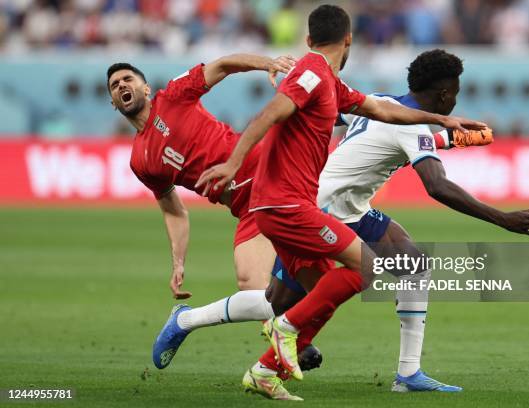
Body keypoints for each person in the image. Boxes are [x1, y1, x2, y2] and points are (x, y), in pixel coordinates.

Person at [196, 4, 489, 400]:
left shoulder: (330, 82)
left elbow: (380, 109)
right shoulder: (312, 72)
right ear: (348, 39)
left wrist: (443, 123)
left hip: (301, 202)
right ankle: (278, 331)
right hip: (289, 203)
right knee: (357, 273)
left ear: (308, 39)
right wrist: (233, 163)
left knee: (322, 291)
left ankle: (267, 368)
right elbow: (270, 113)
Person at [264, 49, 529, 397]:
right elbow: (437, 186)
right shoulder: (413, 126)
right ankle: (192, 323)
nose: (455, 99)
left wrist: (453, 137)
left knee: (413, 265)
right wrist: (503, 219)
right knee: (280, 300)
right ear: (445, 94)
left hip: (349, 207)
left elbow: (369, 125)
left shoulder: (382, 101)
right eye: (455, 93)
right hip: (317, 210)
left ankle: (409, 373)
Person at [106, 54, 298, 369]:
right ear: (114, 102)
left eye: (127, 79)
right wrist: (178, 264)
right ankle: (186, 321)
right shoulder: (141, 160)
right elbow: (173, 211)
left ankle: (403, 276)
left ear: (146, 89)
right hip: (248, 207)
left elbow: (222, 66)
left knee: (332, 253)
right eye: (114, 85)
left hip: (271, 170)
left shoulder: (174, 96)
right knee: (255, 290)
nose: (121, 85)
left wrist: (267, 64)